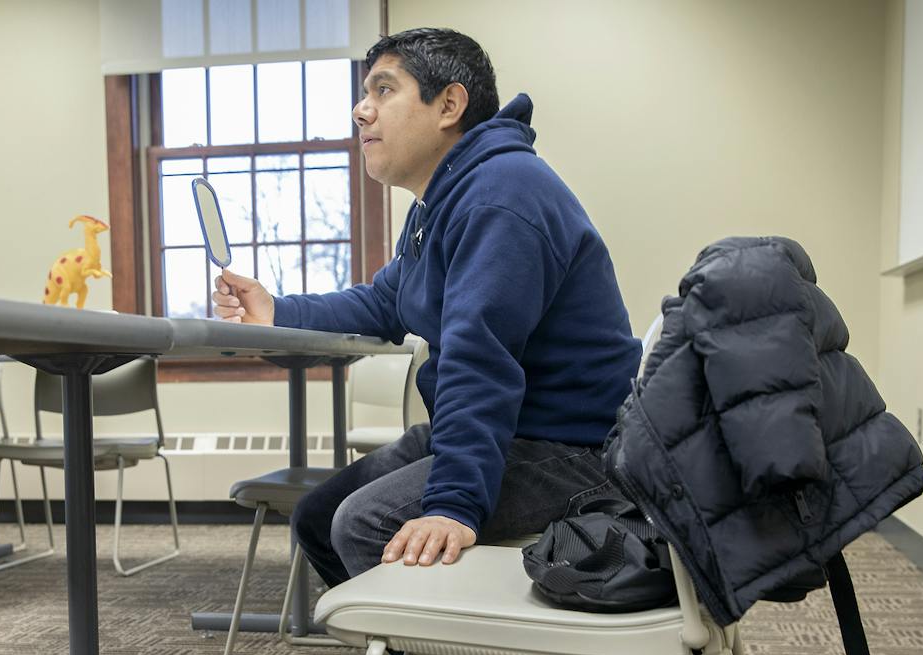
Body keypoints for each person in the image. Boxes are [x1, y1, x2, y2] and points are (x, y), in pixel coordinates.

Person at [212, 28, 642, 591]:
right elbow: (387, 299)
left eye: (383, 90)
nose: (360, 110)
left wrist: (454, 505)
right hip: (516, 432)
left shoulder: (500, 195)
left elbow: (477, 359)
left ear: (449, 105)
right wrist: (278, 310)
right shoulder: (441, 202)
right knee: (318, 518)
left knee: (366, 525)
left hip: (572, 450)